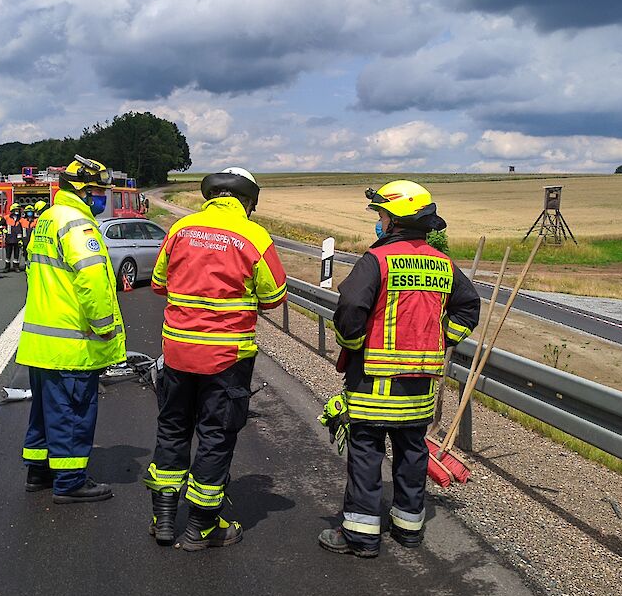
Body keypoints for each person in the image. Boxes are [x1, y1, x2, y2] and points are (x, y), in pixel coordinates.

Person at [319, 181, 480, 558]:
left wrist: (355, 345)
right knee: (412, 454)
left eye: (381, 214)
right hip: (421, 387)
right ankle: (409, 529)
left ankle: (361, 537)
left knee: (366, 454)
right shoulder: (444, 265)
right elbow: (469, 307)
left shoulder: (377, 260)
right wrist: (442, 339)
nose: (379, 221)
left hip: (375, 383)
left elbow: (349, 309)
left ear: (395, 221)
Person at [142, 167, 287, 550]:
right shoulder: (253, 236)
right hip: (227, 358)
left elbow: (158, 284)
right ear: (248, 201)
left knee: (172, 429)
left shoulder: (180, 229)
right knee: (215, 437)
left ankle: (165, 518)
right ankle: (202, 528)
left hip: (176, 352)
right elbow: (274, 297)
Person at [17, 155, 126, 503]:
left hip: (42, 339)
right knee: (73, 412)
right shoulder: (78, 224)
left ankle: (39, 472)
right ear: (83, 190)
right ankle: (70, 482)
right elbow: (92, 280)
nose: (102, 198)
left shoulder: (48, 219)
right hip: (72, 342)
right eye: (99, 191)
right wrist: (104, 325)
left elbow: (34, 274)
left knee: (44, 412)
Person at [3, 202, 22, 272]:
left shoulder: (21, 219)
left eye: (18, 210)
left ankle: (16, 267)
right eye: (16, 210)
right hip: (9, 239)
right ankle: (7, 267)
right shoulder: (6, 218)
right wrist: (3, 230)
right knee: (8, 254)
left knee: (16, 254)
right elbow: (0, 225)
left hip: (17, 240)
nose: (17, 211)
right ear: (12, 210)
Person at [16, 205, 37, 271]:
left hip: (34, 241)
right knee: (25, 254)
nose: (29, 214)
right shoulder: (22, 221)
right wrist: (19, 240)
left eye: (31, 213)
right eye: (28, 213)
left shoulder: (36, 220)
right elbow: (19, 230)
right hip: (25, 240)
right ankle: (26, 265)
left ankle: (33, 265)